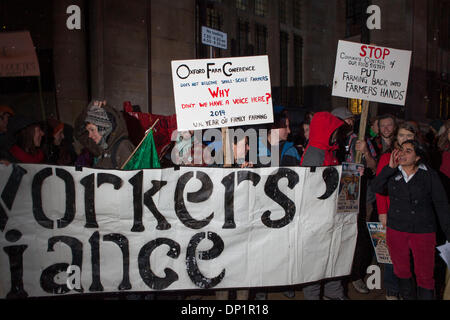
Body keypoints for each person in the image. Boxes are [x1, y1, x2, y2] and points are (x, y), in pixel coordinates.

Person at [372, 139, 450, 300]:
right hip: (397, 230)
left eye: (408, 151)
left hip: (423, 232)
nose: (402, 154)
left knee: (425, 275)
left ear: (418, 157)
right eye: (401, 150)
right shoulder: (393, 172)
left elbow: (442, 205)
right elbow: (376, 187)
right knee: (402, 272)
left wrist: (448, 233)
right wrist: (389, 169)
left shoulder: (429, 175)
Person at [300, 111, 349, 300]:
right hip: (316, 220)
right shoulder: (315, 153)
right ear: (325, 130)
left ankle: (332, 293)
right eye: (334, 129)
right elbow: (312, 190)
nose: (338, 133)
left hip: (327, 217)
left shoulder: (326, 150)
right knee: (314, 262)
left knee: (331, 257)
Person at [331, 107, 377, 295]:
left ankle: (356, 275)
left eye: (350, 120)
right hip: (335, 199)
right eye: (344, 119)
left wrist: (365, 152)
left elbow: (373, 167)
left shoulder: (360, 140)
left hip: (359, 197)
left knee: (358, 238)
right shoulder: (331, 141)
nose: (348, 123)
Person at [375, 121, 421, 300]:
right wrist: (382, 212)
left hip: (414, 216)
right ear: (396, 137)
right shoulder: (388, 157)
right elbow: (379, 188)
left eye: (409, 136)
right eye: (401, 135)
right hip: (393, 214)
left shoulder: (420, 157)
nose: (405, 139)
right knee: (393, 256)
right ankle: (392, 292)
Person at [215, 127, 252, 301]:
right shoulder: (214, 169)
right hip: (223, 236)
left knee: (243, 278)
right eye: (245, 144)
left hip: (244, 235)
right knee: (223, 279)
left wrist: (249, 176)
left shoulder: (250, 167)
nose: (248, 149)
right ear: (232, 145)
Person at [75, 100, 135, 169]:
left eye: (92, 130)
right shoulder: (102, 146)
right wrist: (87, 112)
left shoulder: (123, 147)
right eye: (88, 131)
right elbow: (79, 133)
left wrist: (108, 108)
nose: (89, 135)